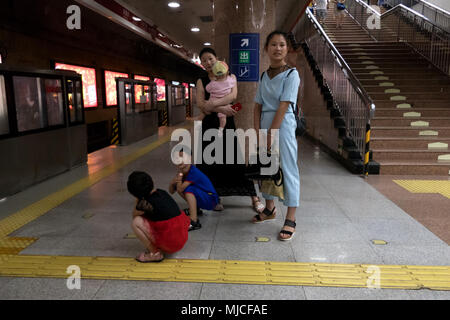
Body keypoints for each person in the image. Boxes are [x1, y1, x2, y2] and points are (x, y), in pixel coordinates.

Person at [196, 47, 266, 214]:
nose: (207, 62)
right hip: (209, 125)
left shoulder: (231, 76)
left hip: (227, 124)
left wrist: (214, 105)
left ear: (217, 58)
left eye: (210, 58)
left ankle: (254, 197)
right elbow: (201, 104)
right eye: (204, 60)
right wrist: (221, 108)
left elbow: (233, 96)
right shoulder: (201, 80)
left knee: (235, 158)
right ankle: (215, 196)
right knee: (210, 162)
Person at [253, 31, 301, 241]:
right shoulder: (264, 75)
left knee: (288, 167)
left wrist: (271, 133)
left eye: (282, 44)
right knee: (267, 167)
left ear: (287, 48)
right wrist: (258, 131)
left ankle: (290, 217)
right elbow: (257, 105)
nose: (278, 48)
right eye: (273, 44)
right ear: (267, 49)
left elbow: (284, 105)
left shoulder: (292, 74)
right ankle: (270, 209)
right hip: (265, 124)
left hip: (283, 125)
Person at [127, 171, 190, 263]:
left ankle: (155, 254)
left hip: (170, 243)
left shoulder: (146, 203)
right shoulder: (161, 192)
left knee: (136, 222)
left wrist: (138, 199)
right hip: (181, 238)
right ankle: (159, 248)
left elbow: (134, 215)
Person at [169, 152, 219, 231]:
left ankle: (194, 221)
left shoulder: (193, 172)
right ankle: (195, 209)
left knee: (188, 189)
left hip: (211, 200)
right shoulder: (182, 173)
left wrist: (178, 179)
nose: (179, 160)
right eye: (176, 158)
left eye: (182, 157)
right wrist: (172, 182)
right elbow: (171, 191)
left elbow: (180, 189)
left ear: (189, 159)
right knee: (185, 188)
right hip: (205, 198)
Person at [195, 60, 235, 137]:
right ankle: (221, 128)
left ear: (215, 75)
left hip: (212, 100)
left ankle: (199, 120)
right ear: (227, 73)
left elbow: (207, 89)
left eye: (210, 58)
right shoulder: (230, 80)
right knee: (223, 119)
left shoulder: (213, 83)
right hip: (224, 103)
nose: (208, 62)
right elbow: (233, 90)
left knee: (204, 111)